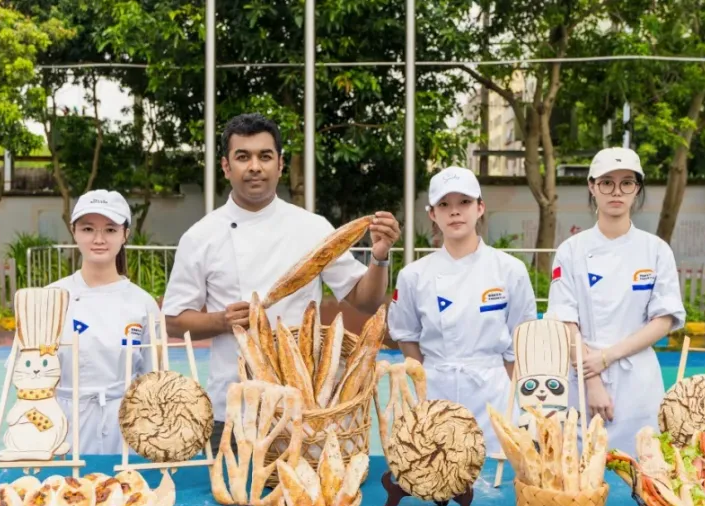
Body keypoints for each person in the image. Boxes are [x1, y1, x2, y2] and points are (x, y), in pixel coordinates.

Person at [163, 114, 400, 445]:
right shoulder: (200, 236)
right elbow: (174, 321)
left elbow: (366, 300)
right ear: (226, 167)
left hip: (305, 408)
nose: (255, 166)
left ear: (280, 164)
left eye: (265, 156)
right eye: (242, 157)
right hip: (232, 409)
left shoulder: (312, 228)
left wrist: (379, 256)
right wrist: (221, 320)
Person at [387, 166, 537, 455]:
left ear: (480, 208)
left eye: (464, 202)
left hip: (493, 394)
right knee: (437, 475)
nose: (455, 212)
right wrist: (428, 379)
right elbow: (406, 335)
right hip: (435, 393)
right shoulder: (413, 276)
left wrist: (513, 395)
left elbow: (521, 339)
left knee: (496, 478)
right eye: (444, 204)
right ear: (433, 214)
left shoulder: (510, 270)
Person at [546, 147, 685, 453]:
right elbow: (564, 320)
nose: (616, 191)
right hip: (580, 378)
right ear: (592, 187)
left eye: (627, 182)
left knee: (645, 471)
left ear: (637, 189)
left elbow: (663, 320)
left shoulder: (656, 250)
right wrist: (592, 379)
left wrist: (606, 357)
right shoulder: (570, 251)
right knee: (579, 478)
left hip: (637, 380)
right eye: (607, 182)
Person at [49, 190, 162, 454]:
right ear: (73, 231)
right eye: (88, 229)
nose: (99, 239)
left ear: (125, 234)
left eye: (110, 230)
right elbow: (28, 378)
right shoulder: (50, 298)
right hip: (61, 428)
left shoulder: (143, 304)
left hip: (125, 427)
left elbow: (153, 379)